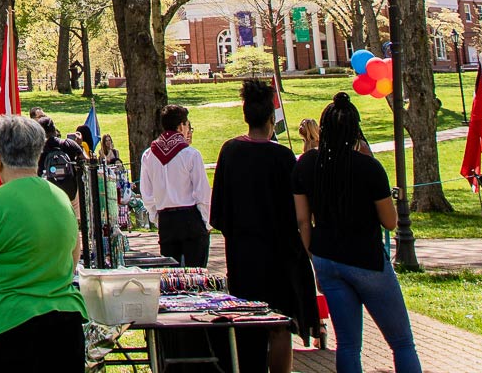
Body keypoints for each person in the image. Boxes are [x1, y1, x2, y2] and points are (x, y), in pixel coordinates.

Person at [292, 93, 420, 373]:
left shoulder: (307, 164)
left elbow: (303, 220)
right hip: (366, 258)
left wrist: (313, 255)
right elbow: (389, 221)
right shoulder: (369, 168)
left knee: (349, 345)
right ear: (355, 130)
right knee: (401, 341)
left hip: (327, 257)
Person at [0, 114, 85, 372]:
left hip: (6, 327)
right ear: (38, 154)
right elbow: (72, 259)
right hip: (63, 325)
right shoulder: (60, 198)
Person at [211, 80, 317, 373]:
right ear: (272, 120)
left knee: (248, 326)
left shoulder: (230, 152)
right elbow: (299, 212)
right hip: (281, 257)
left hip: (244, 258)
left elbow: (218, 213)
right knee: (281, 323)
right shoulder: (283, 157)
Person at [138, 104, 213, 267]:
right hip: (190, 217)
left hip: (166, 219)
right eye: (187, 125)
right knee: (196, 276)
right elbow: (202, 193)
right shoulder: (190, 154)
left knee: (172, 277)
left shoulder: (149, 155)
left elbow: (147, 193)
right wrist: (206, 221)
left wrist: (157, 217)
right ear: (180, 126)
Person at [35, 117, 83, 200]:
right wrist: (79, 144)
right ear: (54, 129)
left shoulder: (38, 149)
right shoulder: (68, 143)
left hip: (48, 192)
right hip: (70, 191)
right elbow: (88, 161)